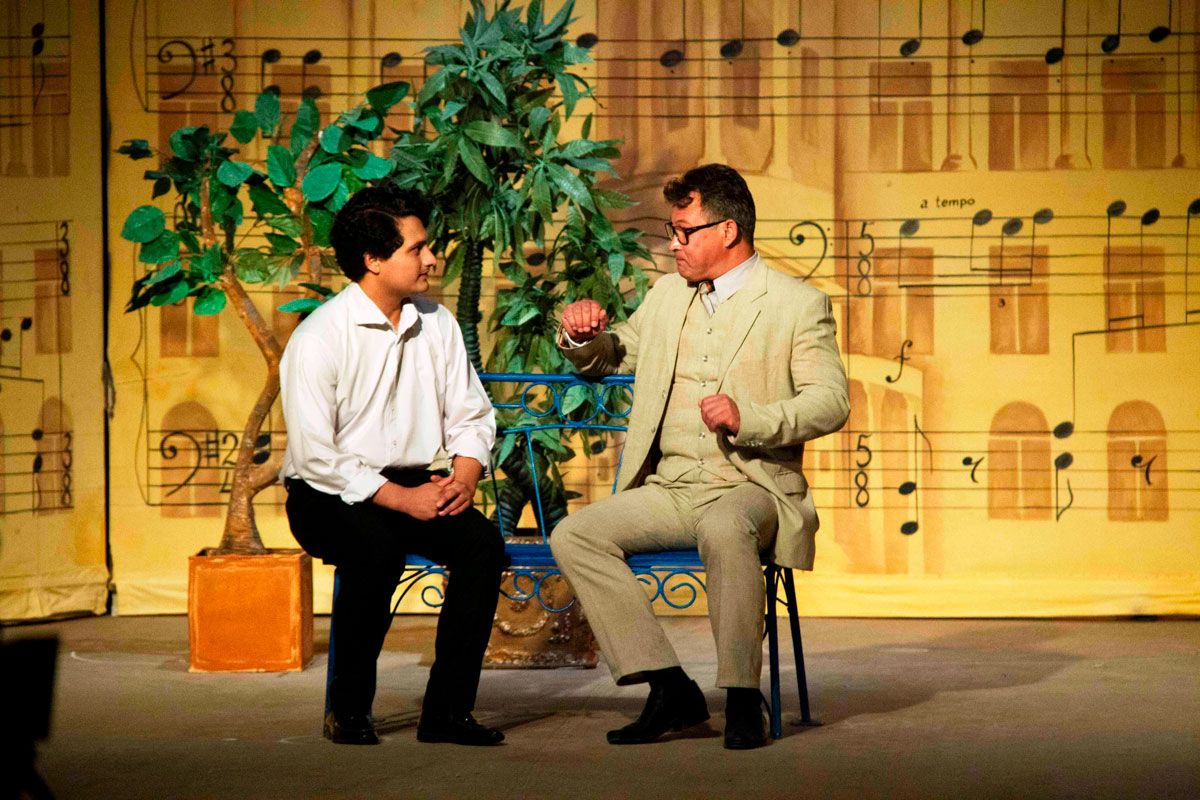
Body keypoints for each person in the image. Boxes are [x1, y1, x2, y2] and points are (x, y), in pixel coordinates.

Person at [551, 163, 849, 749]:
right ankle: (670, 688)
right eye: (673, 230)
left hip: (752, 487)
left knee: (724, 526)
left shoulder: (796, 304)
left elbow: (831, 401)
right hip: (671, 488)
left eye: (684, 231)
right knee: (576, 534)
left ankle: (741, 697)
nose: (673, 243)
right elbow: (616, 354)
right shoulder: (668, 294)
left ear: (728, 231)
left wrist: (750, 417)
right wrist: (583, 336)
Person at [279, 183, 506, 746]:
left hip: (413, 485)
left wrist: (465, 476)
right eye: (417, 248)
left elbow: (472, 413)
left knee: (482, 546)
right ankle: (348, 709)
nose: (432, 258)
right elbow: (315, 455)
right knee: (375, 550)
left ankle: (447, 713)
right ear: (373, 260)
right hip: (326, 493)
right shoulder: (318, 338)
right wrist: (401, 499)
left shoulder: (437, 323)